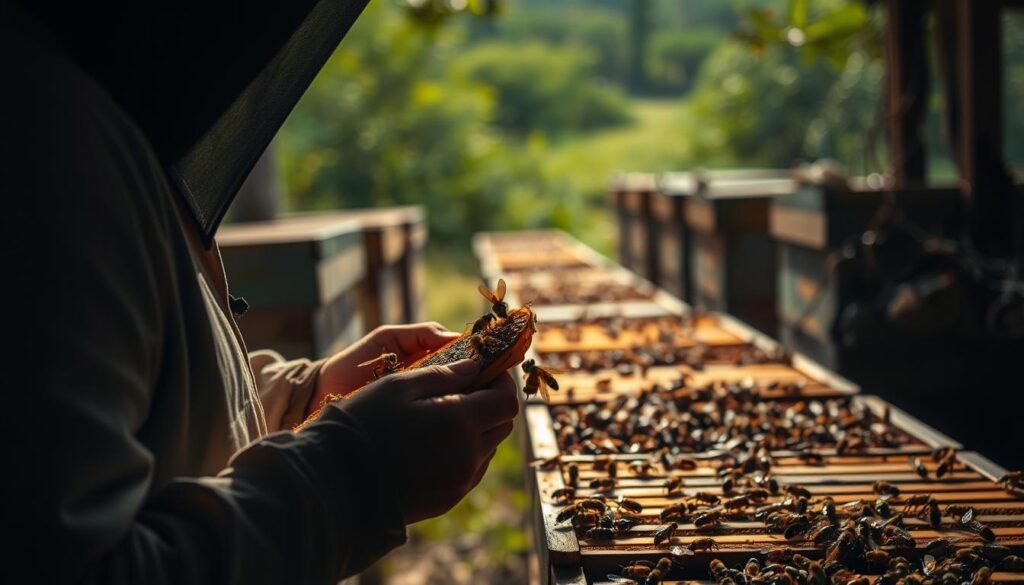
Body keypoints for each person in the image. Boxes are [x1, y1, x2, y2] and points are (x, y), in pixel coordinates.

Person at [1, 1, 519, 583]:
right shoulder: (35, 137)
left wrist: (305, 398)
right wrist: (353, 477)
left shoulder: (78, 115)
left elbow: (137, 406)